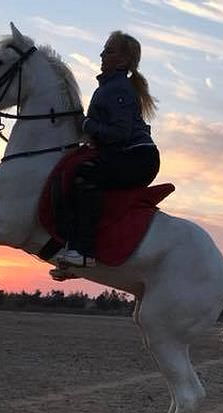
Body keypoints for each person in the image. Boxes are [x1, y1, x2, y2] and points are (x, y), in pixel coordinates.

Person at [58, 30, 160, 268]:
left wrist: (84, 123)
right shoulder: (108, 87)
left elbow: (119, 133)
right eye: (104, 50)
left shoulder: (118, 89)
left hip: (137, 158)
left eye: (109, 51)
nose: (102, 54)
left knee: (84, 174)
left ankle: (83, 251)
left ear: (123, 61)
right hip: (129, 155)